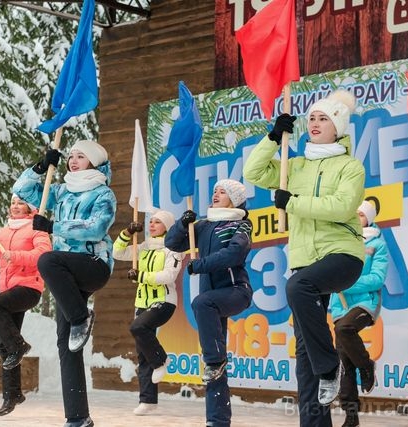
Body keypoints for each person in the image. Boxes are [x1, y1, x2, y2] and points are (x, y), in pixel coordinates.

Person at [243, 89, 366, 427]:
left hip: (342, 254)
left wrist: (292, 202)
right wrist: (272, 138)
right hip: (304, 258)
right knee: (303, 350)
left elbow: (341, 207)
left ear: (337, 127)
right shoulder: (293, 165)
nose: (315, 122)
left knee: (298, 286)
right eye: (311, 117)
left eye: (323, 118)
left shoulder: (350, 166)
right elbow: (253, 172)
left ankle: (329, 367)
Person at [12, 139, 116, 427]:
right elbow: (22, 191)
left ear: (94, 162)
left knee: (46, 260)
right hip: (66, 274)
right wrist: (40, 167)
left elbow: (97, 227)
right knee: (66, 342)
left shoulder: (103, 193)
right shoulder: (61, 192)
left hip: (92, 264)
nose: (73, 160)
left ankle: (82, 317)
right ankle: (78, 417)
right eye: (71, 156)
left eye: (80, 156)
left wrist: (53, 227)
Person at [164, 179, 254, 427]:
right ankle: (217, 420)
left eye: (222, 192)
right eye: (215, 190)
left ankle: (215, 362)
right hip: (212, 300)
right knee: (214, 357)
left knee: (202, 308)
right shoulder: (203, 226)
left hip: (236, 291)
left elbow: (234, 254)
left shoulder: (241, 224)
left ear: (234, 200)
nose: (216, 194)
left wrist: (200, 265)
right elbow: (172, 243)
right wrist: (182, 225)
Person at [0, 194, 52, 416]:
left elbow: (43, 254)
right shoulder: (3, 231)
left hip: (28, 288)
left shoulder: (37, 227)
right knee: (5, 346)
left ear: (29, 207)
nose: (15, 206)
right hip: (8, 290)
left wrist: (15, 256)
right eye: (12, 203)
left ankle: (19, 346)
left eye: (20, 203)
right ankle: (13, 394)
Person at [112, 210, 184, 416]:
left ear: (167, 227)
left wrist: (141, 276)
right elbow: (118, 253)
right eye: (150, 221)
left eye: (157, 222)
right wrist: (127, 233)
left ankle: (161, 360)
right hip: (142, 303)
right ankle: (148, 400)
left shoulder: (173, 250)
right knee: (143, 352)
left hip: (164, 301)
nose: (152, 225)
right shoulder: (143, 247)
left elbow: (169, 275)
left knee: (138, 327)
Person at [330, 200, 388, 427]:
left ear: (369, 218)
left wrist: (347, 283)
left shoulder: (377, 244)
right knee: (344, 362)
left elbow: (377, 279)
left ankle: (366, 365)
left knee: (346, 329)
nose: (356, 218)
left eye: (361, 215)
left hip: (365, 302)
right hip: (340, 305)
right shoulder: (342, 241)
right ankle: (351, 416)